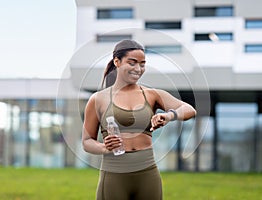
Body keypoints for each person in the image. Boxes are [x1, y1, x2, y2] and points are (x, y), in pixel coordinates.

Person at [82, 39, 196, 200]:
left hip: (147, 173)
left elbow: (189, 110)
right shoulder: (98, 99)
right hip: (114, 174)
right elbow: (87, 141)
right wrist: (104, 148)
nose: (138, 68)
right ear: (117, 62)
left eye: (142, 64)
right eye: (132, 62)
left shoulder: (152, 94)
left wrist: (169, 115)